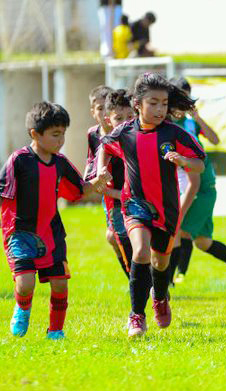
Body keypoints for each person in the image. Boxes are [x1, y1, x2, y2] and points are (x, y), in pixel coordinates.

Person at [0, 102, 111, 339]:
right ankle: (22, 308)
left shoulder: (60, 162)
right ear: (35, 134)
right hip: (20, 233)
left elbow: (79, 189)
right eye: (55, 134)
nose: (61, 140)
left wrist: (97, 182)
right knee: (25, 284)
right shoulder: (18, 160)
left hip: (52, 234)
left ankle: (56, 331)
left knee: (61, 284)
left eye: (63, 133)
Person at [97, 73, 206, 338]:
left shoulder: (174, 133)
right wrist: (101, 170)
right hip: (135, 205)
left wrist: (182, 160)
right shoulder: (124, 132)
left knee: (160, 262)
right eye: (153, 103)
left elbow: (199, 164)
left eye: (164, 103)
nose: (160, 109)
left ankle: (160, 296)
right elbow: (105, 146)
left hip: (167, 209)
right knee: (141, 252)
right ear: (137, 103)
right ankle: (137, 316)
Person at [165, 77, 226, 287]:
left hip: (200, 186)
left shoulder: (189, 124)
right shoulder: (169, 125)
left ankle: (168, 282)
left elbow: (215, 140)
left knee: (178, 230)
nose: (184, 107)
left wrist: (198, 118)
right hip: (194, 184)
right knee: (202, 242)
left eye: (188, 101)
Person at [83, 85, 132, 279]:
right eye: (99, 107)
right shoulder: (93, 135)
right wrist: (91, 176)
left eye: (106, 106)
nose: (103, 111)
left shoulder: (127, 134)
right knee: (115, 237)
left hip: (128, 193)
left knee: (129, 237)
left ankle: (145, 281)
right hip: (111, 194)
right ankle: (136, 280)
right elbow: (91, 159)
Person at [97, 88, 135, 279]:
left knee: (147, 247)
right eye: (119, 118)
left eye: (130, 116)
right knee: (123, 244)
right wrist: (100, 171)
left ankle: (156, 285)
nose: (126, 122)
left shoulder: (143, 139)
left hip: (142, 202)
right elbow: (99, 182)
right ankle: (138, 285)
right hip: (118, 204)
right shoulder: (108, 143)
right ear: (108, 120)